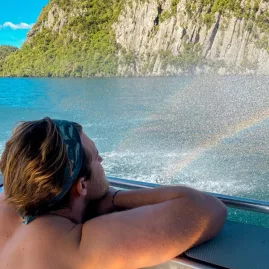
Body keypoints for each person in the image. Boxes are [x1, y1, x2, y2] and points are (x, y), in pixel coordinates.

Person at [0, 117, 227, 269]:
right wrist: (114, 199)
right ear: (82, 186)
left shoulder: (7, 207)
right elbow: (207, 209)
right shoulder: (75, 245)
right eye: (96, 156)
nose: (101, 160)